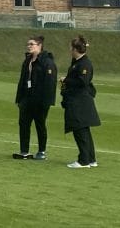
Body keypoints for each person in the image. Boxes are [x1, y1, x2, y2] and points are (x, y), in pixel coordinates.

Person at [14, 35, 58, 160]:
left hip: (40, 101)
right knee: (24, 124)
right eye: (28, 44)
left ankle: (42, 151)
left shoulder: (47, 62)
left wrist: (46, 102)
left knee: (40, 124)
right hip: (26, 99)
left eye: (32, 44)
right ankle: (24, 151)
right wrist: (19, 99)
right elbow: (22, 80)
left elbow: (50, 84)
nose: (29, 46)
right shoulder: (27, 60)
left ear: (39, 46)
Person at [61, 35, 99, 169]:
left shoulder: (84, 64)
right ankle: (91, 158)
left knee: (80, 130)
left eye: (71, 48)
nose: (70, 50)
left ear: (76, 49)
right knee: (84, 131)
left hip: (80, 102)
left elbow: (83, 81)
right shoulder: (76, 62)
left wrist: (66, 80)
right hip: (76, 101)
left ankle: (83, 160)